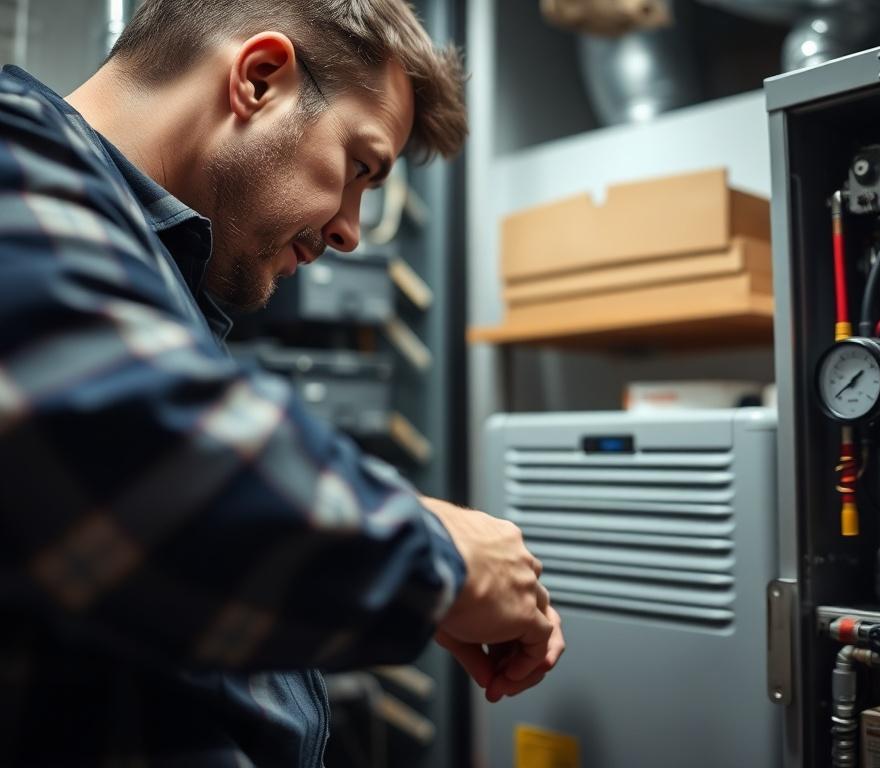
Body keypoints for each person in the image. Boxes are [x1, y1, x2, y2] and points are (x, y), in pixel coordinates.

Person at [0, 1, 564, 765]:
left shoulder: (149, 266)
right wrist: (442, 558)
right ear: (259, 79)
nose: (350, 230)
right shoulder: (17, 151)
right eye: (359, 166)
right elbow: (146, 472)